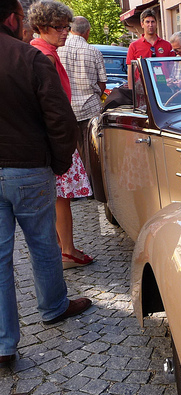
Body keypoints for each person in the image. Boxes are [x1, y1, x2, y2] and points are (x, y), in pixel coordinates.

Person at [0, 0, 91, 368]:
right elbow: (59, 117)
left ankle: (4, 345)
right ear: (12, 18)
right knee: (42, 243)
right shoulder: (30, 58)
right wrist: (58, 161)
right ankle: (53, 306)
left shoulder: (34, 55)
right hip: (28, 167)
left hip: (22, 165)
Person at [29, 0, 94, 269]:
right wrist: (62, 143)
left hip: (49, 135)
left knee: (58, 195)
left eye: (66, 26)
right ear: (42, 27)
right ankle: (66, 251)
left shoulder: (44, 51)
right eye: (58, 27)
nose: (65, 31)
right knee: (61, 196)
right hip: (53, 137)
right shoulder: (42, 55)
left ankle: (64, 247)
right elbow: (50, 106)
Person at [58, 16, 107, 182]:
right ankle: (91, 186)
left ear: (70, 29)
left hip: (66, 107)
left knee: (69, 148)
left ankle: (73, 186)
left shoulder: (58, 50)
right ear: (87, 32)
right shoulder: (94, 52)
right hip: (89, 107)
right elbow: (102, 83)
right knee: (91, 149)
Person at [126, 8, 174, 89]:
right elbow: (131, 71)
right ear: (142, 24)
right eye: (147, 22)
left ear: (156, 23)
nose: (150, 25)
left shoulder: (167, 45)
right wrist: (131, 92)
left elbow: (173, 68)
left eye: (153, 22)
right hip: (143, 87)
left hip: (164, 86)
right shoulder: (134, 46)